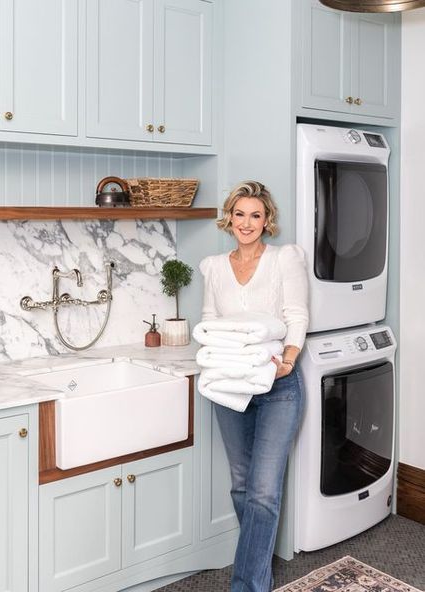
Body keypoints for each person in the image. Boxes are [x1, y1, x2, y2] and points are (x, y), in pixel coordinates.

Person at [199, 181, 309, 592]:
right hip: (230, 384)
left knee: (263, 491)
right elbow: (210, 322)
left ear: (267, 221)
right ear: (229, 218)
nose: (247, 223)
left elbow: (296, 314)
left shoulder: (284, 260)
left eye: (256, 215)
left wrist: (289, 360)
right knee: (242, 486)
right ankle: (259, 575)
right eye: (240, 214)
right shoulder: (213, 267)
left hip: (279, 385)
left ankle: (245, 586)